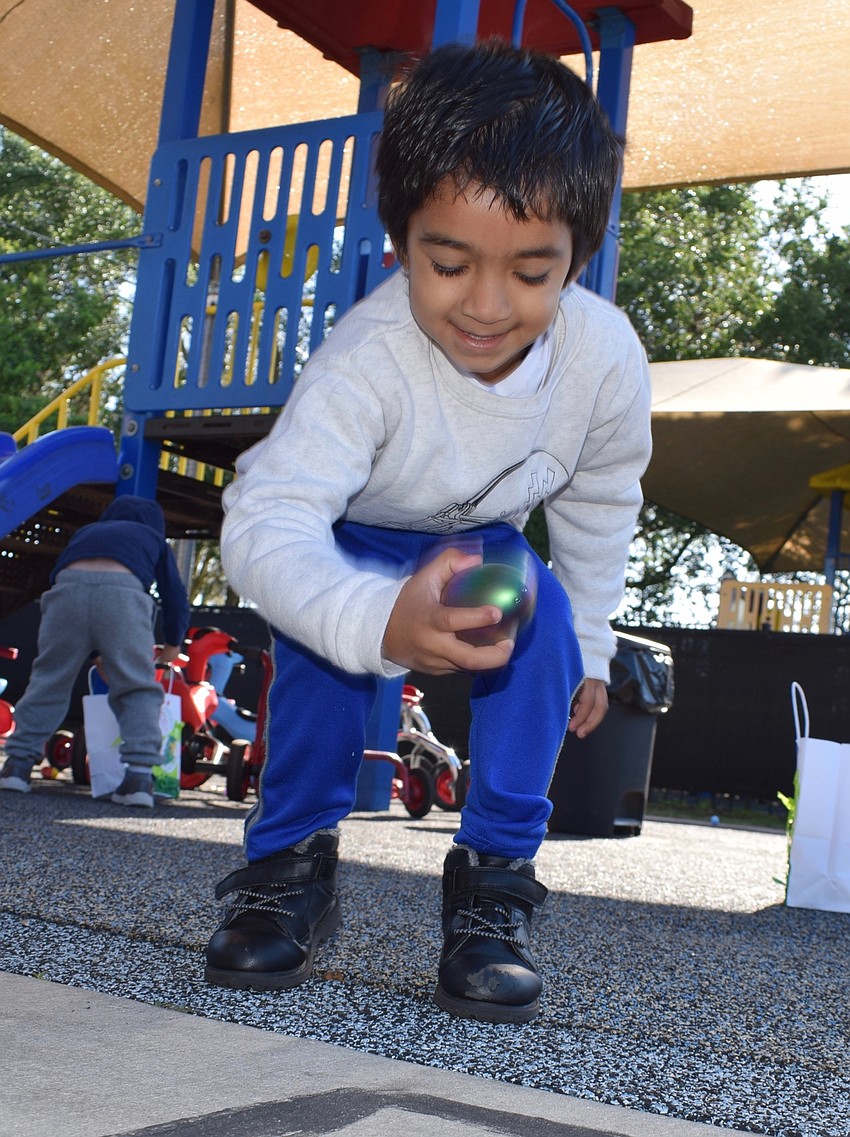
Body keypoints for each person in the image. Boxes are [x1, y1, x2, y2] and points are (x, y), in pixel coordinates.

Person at [204, 39, 652, 1023]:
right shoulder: (367, 359)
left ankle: (493, 884)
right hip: (358, 537)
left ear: (577, 258)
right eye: (448, 263)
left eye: (530, 271)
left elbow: (598, 498)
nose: (485, 306)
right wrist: (373, 619)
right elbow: (268, 521)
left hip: (478, 547)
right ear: (402, 241)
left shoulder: (604, 359)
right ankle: (288, 869)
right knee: (320, 655)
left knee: (535, 611)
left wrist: (589, 640)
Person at [0, 495, 190, 808]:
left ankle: (16, 766)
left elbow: (74, 586)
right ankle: (139, 777)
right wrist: (173, 642)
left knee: (49, 679)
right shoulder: (152, 538)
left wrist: (94, 652)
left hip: (66, 593)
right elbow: (174, 597)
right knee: (136, 686)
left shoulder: (87, 532)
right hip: (122, 595)